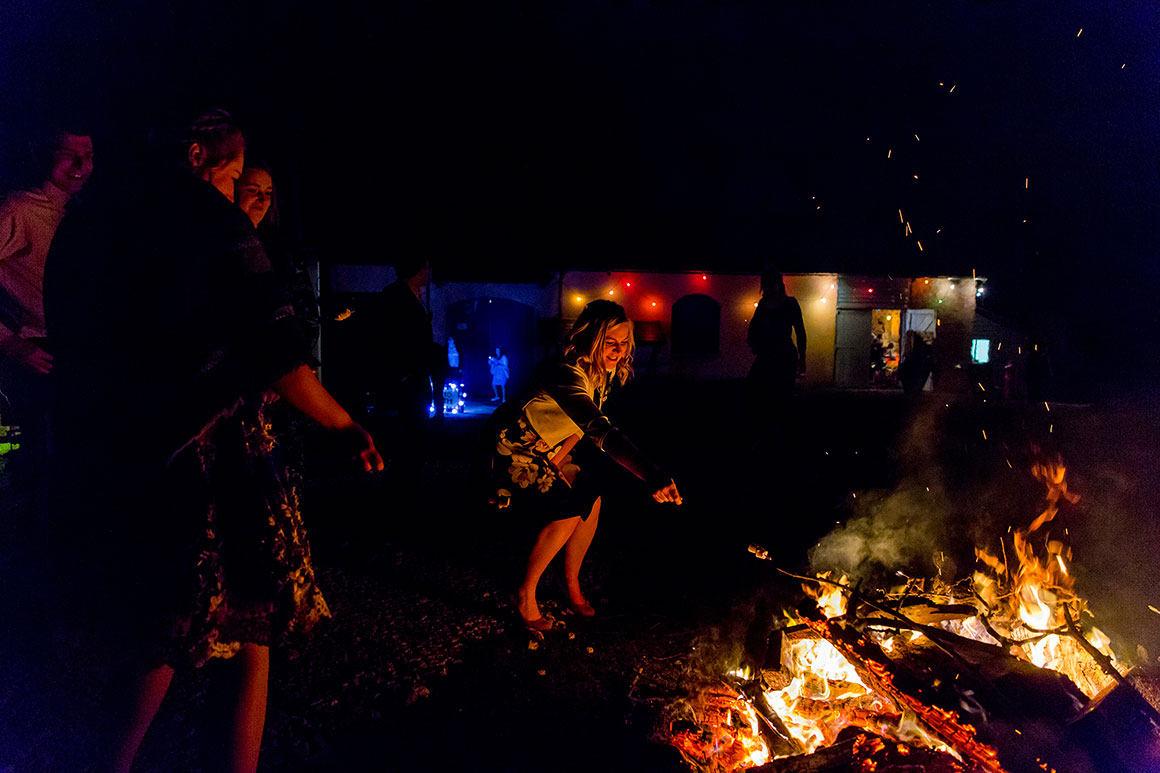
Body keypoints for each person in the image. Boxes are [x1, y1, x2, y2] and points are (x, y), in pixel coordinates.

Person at [44, 108, 382, 773]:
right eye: (233, 175)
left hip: (114, 451)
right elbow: (279, 353)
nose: (238, 193)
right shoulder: (208, 221)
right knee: (204, 625)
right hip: (207, 461)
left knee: (163, 623)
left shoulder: (94, 220)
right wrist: (344, 424)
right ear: (197, 157)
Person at [486, 300, 681, 631]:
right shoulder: (566, 373)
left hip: (547, 450)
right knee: (569, 509)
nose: (618, 351)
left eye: (624, 344)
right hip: (511, 449)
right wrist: (651, 474)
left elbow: (578, 430)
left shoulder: (598, 375)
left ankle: (570, 583)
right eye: (610, 343)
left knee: (592, 497)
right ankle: (525, 593)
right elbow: (599, 430)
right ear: (590, 338)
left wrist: (561, 464)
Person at [0, 127, 94, 482]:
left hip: (75, 354)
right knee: (40, 469)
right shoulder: (20, 209)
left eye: (89, 156)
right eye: (68, 154)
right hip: (39, 356)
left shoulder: (82, 211)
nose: (80, 165)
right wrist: (9, 342)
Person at [365, 258, 436, 503]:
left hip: (417, 376)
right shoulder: (395, 296)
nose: (429, 272)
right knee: (411, 436)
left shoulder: (414, 295)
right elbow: (387, 336)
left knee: (417, 435)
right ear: (418, 269)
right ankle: (400, 492)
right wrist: (401, 372)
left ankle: (406, 486)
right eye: (426, 266)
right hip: (408, 379)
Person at [235, 163, 320, 354]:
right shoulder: (219, 245)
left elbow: (305, 309)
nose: (262, 199)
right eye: (252, 190)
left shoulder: (281, 251)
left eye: (268, 192)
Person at [747, 268, 806, 406]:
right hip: (768, 355)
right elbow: (753, 328)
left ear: (778, 285)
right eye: (766, 287)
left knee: (781, 396)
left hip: (784, 356)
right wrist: (754, 343)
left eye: (771, 286)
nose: (768, 290)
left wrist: (802, 358)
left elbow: (800, 331)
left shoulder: (790, 304)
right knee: (758, 392)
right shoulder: (763, 305)